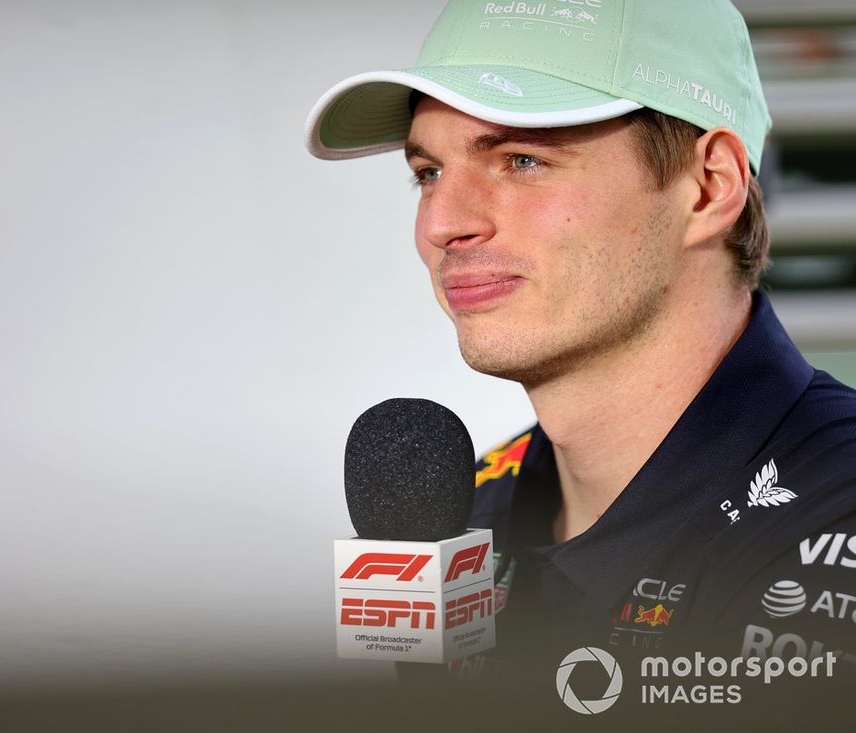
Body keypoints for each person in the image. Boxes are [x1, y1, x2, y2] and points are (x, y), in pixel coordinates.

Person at [306, 0, 855, 723]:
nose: (442, 223)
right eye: (428, 172)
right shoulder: (465, 511)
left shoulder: (835, 516)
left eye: (522, 160)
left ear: (709, 186)